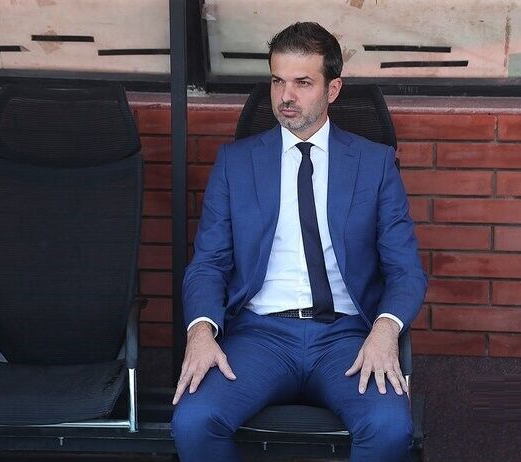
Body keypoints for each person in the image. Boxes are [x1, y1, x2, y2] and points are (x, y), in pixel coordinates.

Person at [171, 22, 428, 462]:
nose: (285, 96)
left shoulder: (374, 164)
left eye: (302, 83)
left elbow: (406, 269)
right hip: (259, 336)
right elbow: (209, 263)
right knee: (194, 420)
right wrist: (200, 331)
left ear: (333, 89)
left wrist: (386, 330)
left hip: (346, 336)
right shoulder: (236, 163)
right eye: (277, 81)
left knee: (389, 426)